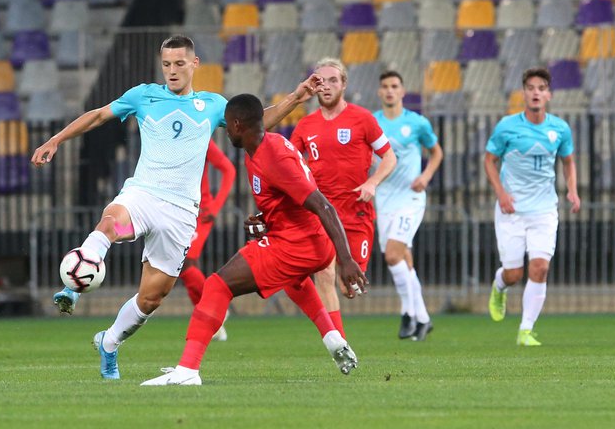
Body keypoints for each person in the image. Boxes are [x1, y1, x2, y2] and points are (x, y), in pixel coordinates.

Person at [30, 35, 325, 379]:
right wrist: (56, 139)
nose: (172, 71)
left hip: (181, 213)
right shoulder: (143, 95)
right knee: (111, 223)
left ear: (195, 64)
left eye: (179, 64)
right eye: (167, 64)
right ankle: (77, 279)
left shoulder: (213, 105)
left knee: (151, 298)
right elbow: (98, 116)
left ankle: (109, 342)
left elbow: (259, 120)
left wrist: (296, 97)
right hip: (142, 196)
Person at [141, 94, 367, 386]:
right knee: (293, 280)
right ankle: (332, 336)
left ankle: (187, 371)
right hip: (303, 238)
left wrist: (346, 259)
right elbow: (287, 199)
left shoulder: (274, 157)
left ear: (236, 125)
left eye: (226, 125)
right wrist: (265, 219)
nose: (224, 130)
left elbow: (323, 205)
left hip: (298, 243)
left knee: (217, 286)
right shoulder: (261, 146)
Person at [290, 58, 396, 338]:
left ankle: (340, 320)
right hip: (321, 216)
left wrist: (372, 182)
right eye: (321, 81)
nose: (326, 86)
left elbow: (389, 156)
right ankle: (339, 344)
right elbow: (289, 164)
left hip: (356, 214)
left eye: (333, 80)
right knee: (323, 275)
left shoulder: (363, 119)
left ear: (344, 84)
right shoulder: (304, 126)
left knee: (350, 287)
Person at [485, 67, 580, 346]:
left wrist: (572, 190)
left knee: (539, 268)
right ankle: (500, 285)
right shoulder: (507, 127)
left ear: (549, 94)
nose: (536, 92)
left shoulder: (560, 128)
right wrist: (501, 193)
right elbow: (489, 160)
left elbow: (568, 161)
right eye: (530, 88)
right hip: (511, 211)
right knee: (515, 274)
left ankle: (526, 330)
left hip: (544, 210)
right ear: (524, 93)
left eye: (541, 88)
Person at [373, 70, 443, 341]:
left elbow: (436, 152)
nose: (390, 91)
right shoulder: (372, 122)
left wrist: (425, 176)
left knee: (392, 255)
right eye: (385, 86)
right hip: (384, 198)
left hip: (410, 199)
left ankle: (407, 313)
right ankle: (423, 319)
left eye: (394, 86)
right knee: (403, 259)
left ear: (402, 91)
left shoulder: (417, 123)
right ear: (380, 92)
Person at [178, 139, 235, 341]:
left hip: (200, 211)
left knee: (185, 263)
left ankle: (215, 309)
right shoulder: (168, 136)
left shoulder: (200, 137)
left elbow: (229, 170)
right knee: (183, 267)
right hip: (178, 209)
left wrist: (216, 206)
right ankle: (211, 320)